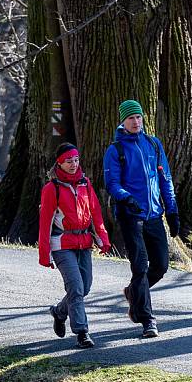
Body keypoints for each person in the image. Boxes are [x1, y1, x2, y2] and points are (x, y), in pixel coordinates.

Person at [103, 99, 180, 339]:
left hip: (154, 214)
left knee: (161, 266)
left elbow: (165, 180)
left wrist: (173, 210)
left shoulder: (153, 145)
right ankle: (147, 320)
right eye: (131, 118)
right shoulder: (115, 150)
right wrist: (126, 198)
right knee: (139, 267)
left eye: (138, 117)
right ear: (123, 122)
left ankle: (133, 293)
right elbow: (112, 183)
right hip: (130, 216)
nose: (136, 122)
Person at [39, 143, 112, 349]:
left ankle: (59, 312)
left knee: (84, 287)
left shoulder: (85, 184)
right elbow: (45, 224)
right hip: (62, 245)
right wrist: (45, 254)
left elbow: (95, 214)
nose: (73, 164)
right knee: (75, 287)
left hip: (84, 243)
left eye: (76, 160)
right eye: (68, 161)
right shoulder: (51, 189)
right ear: (59, 163)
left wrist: (102, 239)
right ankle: (82, 332)